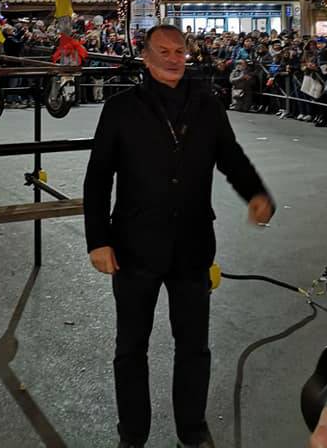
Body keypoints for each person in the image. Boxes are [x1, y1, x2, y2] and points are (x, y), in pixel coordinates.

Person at [83, 24, 275, 448]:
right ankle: (132, 432)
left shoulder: (207, 105)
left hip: (191, 246)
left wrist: (255, 193)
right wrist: (97, 239)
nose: (173, 59)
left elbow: (231, 158)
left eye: (180, 51)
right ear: (146, 56)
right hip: (134, 247)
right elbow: (98, 178)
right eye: (164, 51)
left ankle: (192, 427)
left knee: (194, 345)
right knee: (131, 346)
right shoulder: (121, 109)